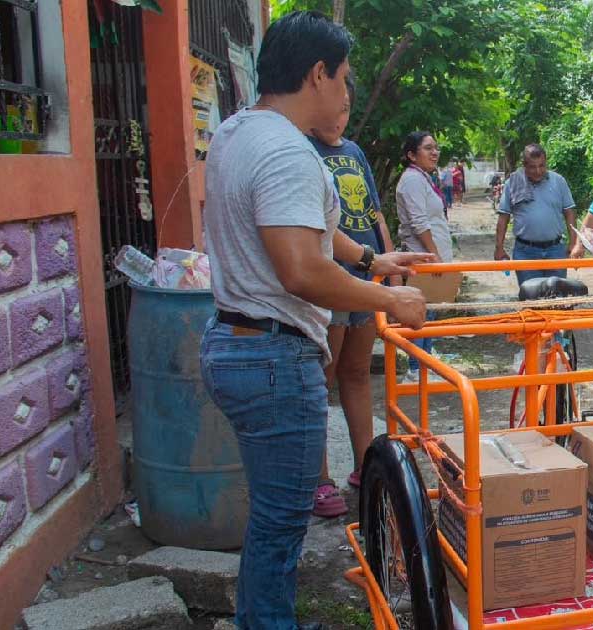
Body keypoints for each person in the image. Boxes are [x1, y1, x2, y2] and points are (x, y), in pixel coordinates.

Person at [200, 12, 430, 630]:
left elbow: (310, 229)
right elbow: (301, 268)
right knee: (280, 525)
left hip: (233, 342)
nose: (349, 94)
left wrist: (371, 259)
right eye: (346, 79)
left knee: (272, 513)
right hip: (272, 358)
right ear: (317, 73)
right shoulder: (286, 152)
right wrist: (391, 300)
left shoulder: (237, 132)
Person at [306, 77, 399, 518]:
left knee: (358, 373)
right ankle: (319, 479)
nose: (339, 117)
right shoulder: (304, 151)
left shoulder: (355, 152)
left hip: (366, 274)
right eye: (334, 107)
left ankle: (367, 466)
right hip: (331, 276)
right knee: (322, 379)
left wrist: (388, 268)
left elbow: (374, 213)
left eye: (346, 109)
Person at [396, 131, 454, 381]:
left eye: (436, 148)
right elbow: (419, 223)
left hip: (431, 258)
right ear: (411, 155)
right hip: (424, 259)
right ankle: (416, 368)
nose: (435, 153)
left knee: (429, 310)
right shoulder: (411, 180)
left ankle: (424, 362)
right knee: (421, 312)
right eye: (428, 148)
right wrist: (434, 256)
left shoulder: (423, 179)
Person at [494, 145, 578, 287]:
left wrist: (573, 243)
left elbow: (569, 211)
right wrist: (499, 247)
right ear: (524, 166)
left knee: (557, 299)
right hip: (525, 252)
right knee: (531, 298)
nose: (538, 171)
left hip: (556, 251)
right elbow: (504, 217)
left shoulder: (558, 181)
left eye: (542, 166)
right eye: (533, 167)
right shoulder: (513, 183)